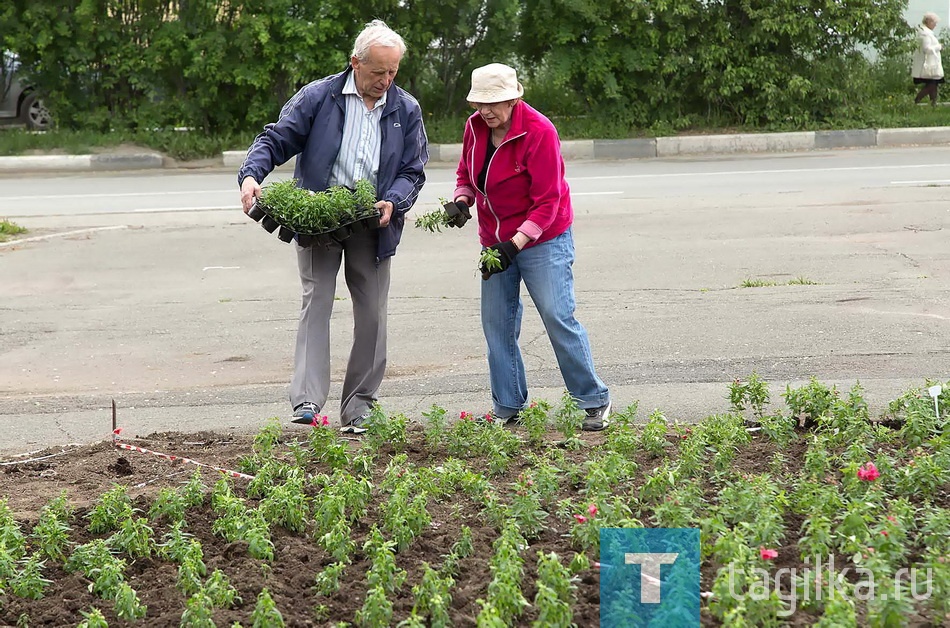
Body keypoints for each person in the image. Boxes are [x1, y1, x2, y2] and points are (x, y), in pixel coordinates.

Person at [238, 20, 428, 434]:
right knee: (317, 300)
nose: (386, 80)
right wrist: (252, 175)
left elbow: (413, 171)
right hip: (320, 218)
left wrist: (392, 202)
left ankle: (359, 406)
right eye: (378, 71)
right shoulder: (319, 96)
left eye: (393, 71)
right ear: (355, 62)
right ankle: (307, 399)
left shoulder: (405, 109)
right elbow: (276, 139)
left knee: (373, 314)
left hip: (373, 220)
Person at [449, 63, 611, 431]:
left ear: (513, 98)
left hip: (544, 238)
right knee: (496, 324)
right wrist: (461, 200)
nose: (485, 111)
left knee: (557, 316)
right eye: (479, 104)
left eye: (493, 103)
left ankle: (593, 399)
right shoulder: (475, 128)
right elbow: (465, 174)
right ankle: (508, 405)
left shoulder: (539, 131)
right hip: (495, 239)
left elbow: (547, 202)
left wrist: (515, 244)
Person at [913, 12, 944, 105]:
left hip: (931, 64)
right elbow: (926, 49)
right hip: (928, 65)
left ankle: (933, 104)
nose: (935, 24)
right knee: (931, 85)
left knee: (934, 85)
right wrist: (939, 47)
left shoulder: (925, 32)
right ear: (928, 21)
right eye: (934, 22)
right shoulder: (925, 34)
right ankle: (916, 101)